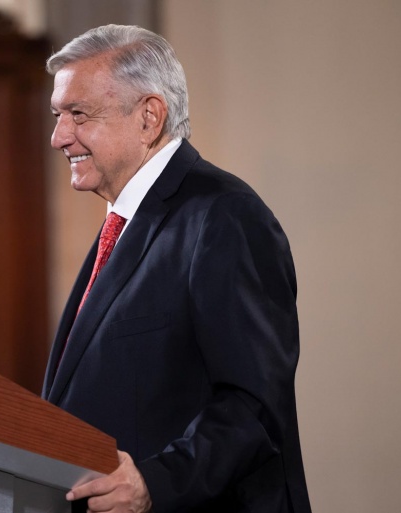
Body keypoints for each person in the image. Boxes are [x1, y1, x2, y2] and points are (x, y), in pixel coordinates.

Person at [42, 24, 311, 513]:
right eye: (58, 115)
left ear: (149, 117)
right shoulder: (125, 223)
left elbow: (253, 404)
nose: (59, 137)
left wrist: (153, 483)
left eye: (78, 114)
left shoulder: (224, 216)